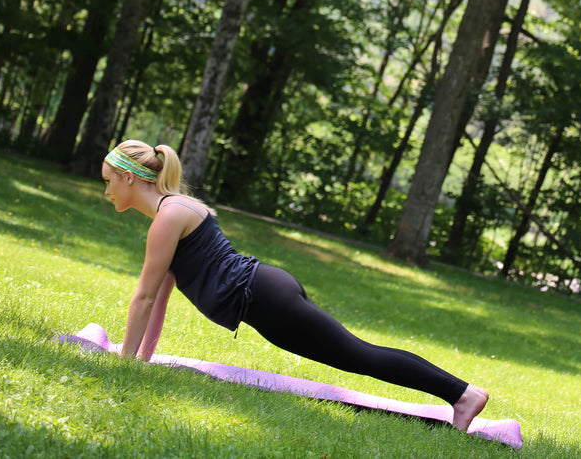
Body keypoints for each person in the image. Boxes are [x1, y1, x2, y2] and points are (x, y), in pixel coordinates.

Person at [101, 139, 488, 431]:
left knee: (359, 355)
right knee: (355, 356)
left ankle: (463, 394)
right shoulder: (174, 212)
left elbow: (144, 297)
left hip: (265, 297)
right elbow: (160, 299)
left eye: (108, 182)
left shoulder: (169, 216)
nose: (106, 191)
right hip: (265, 297)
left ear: (129, 178)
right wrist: (141, 360)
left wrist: (124, 367)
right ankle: (460, 394)